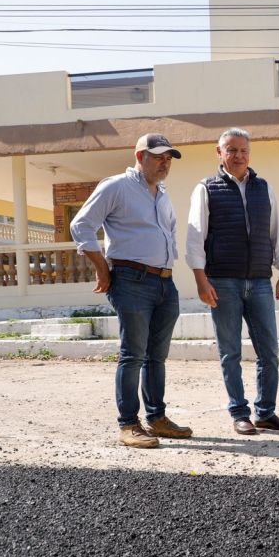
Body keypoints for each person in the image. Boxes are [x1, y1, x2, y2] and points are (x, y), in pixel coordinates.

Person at [70, 133, 192, 449]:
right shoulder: (117, 187)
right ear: (140, 157)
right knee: (133, 354)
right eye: (158, 156)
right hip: (131, 281)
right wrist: (101, 266)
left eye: (169, 158)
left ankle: (157, 418)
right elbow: (81, 225)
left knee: (157, 357)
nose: (165, 163)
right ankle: (128, 424)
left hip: (165, 283)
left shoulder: (162, 195)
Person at [186, 128, 279, 436]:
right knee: (230, 352)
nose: (239, 156)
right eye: (231, 150)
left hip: (260, 280)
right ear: (219, 153)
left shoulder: (264, 188)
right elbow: (195, 238)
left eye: (244, 150)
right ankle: (239, 412)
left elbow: (277, 233)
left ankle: (266, 412)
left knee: (269, 352)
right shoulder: (206, 189)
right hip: (222, 282)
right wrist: (201, 280)